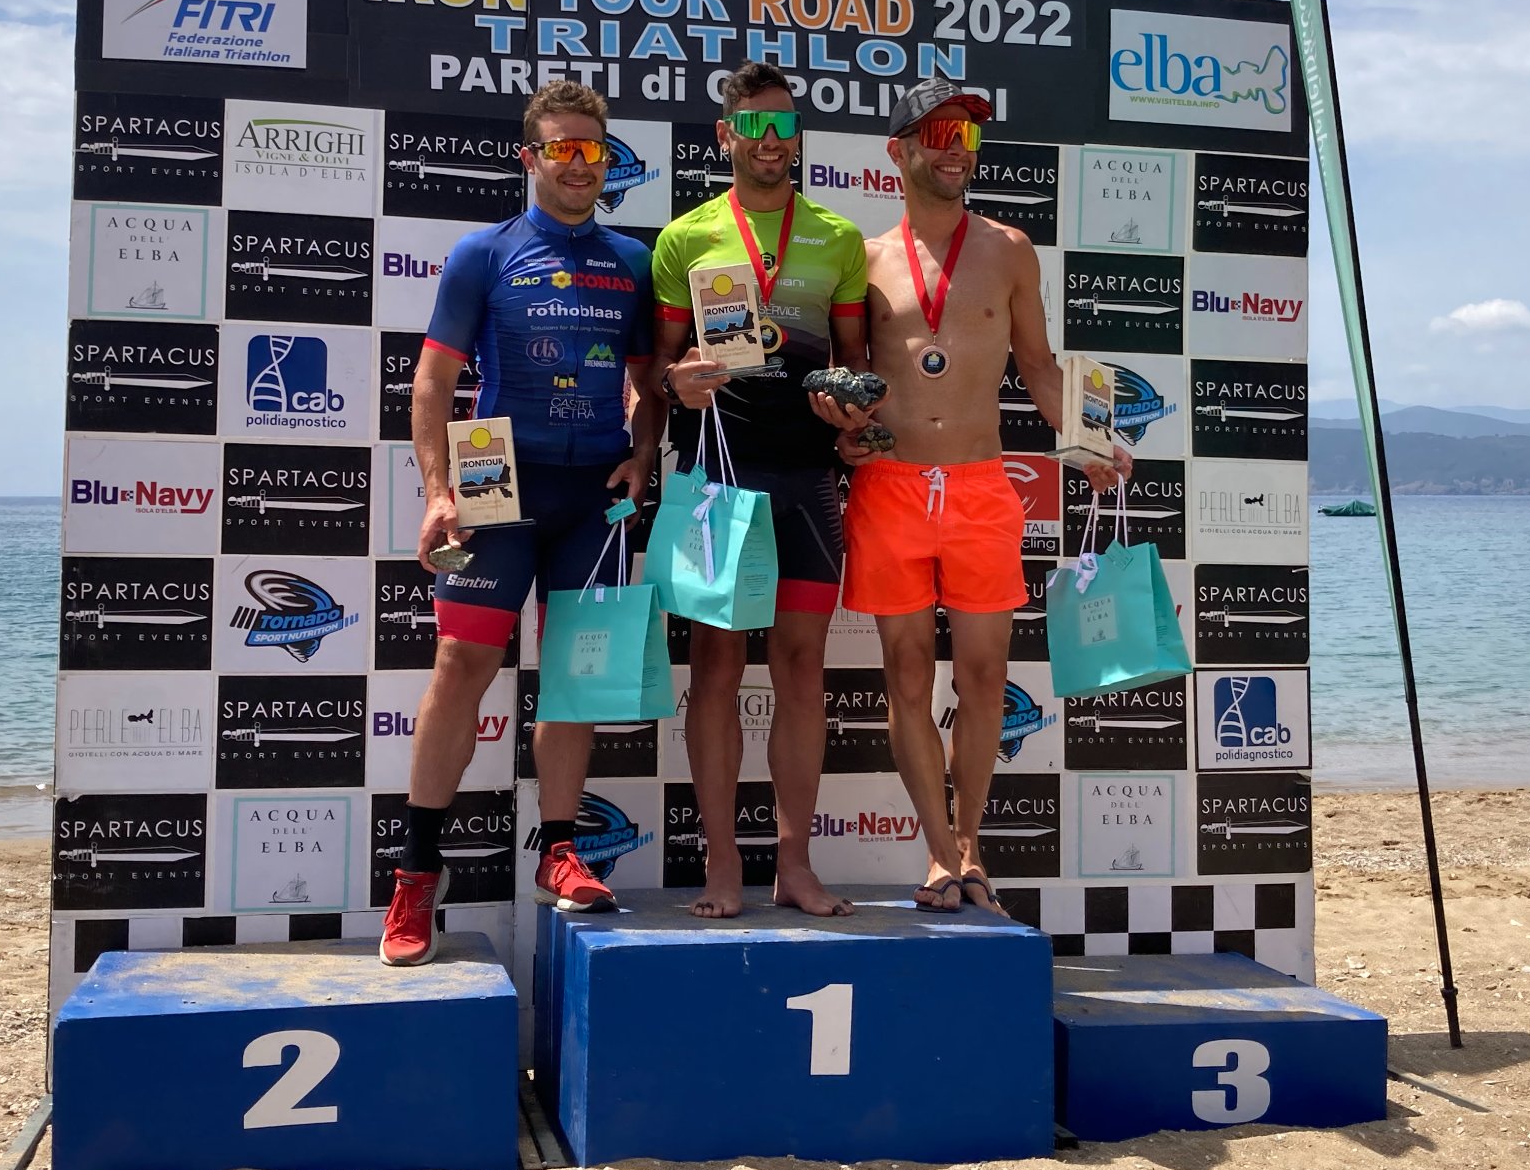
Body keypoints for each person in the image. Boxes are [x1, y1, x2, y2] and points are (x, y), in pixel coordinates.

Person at [832, 79, 1130, 913]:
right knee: (905, 672)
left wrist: (1089, 440)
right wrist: (843, 427)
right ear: (897, 152)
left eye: (965, 135)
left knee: (987, 674)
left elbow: (1039, 366)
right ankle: (937, 854)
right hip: (890, 487)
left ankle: (971, 845)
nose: (954, 149)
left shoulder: (1009, 249)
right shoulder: (863, 258)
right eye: (936, 134)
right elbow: (849, 377)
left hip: (979, 485)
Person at [381, 81, 662, 965]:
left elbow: (648, 384)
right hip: (494, 481)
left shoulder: (633, 260)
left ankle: (561, 851)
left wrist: (643, 454)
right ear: (530, 157)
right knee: (460, 665)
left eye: (594, 150)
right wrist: (437, 492)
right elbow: (433, 383)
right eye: (563, 149)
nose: (580, 165)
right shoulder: (485, 252)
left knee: (576, 679)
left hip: (594, 493)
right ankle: (416, 874)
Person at [649, 61, 870, 919]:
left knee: (803, 667)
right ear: (726, 136)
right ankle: (722, 864)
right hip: (719, 471)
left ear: (797, 138)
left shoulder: (838, 238)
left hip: (807, 476)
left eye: (784, 127)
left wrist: (851, 413)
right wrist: (676, 383)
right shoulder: (686, 237)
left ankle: (795, 864)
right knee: (715, 666)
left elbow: (855, 362)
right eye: (755, 127)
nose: (771, 142)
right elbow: (657, 365)